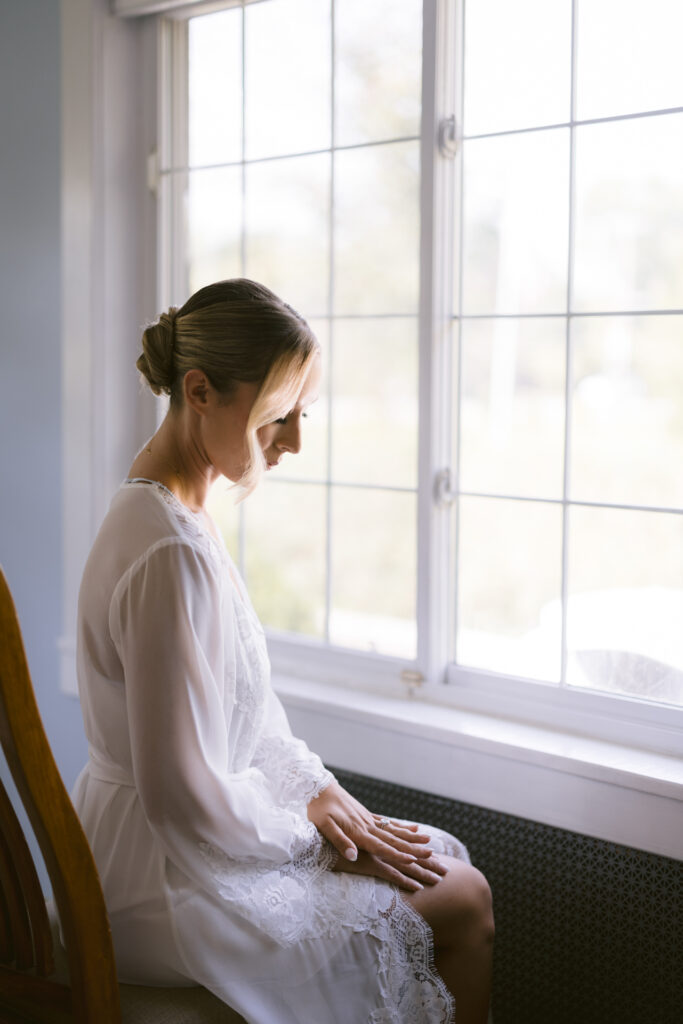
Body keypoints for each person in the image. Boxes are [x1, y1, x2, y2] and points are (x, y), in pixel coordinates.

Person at [72, 279, 494, 1024]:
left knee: (439, 858)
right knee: (462, 895)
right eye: (275, 415)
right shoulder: (169, 550)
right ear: (198, 391)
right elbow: (182, 792)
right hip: (159, 880)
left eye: (305, 414)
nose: (294, 440)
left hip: (156, 845)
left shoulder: (172, 509)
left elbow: (244, 712)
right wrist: (311, 842)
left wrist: (316, 790)